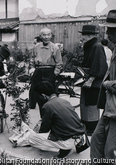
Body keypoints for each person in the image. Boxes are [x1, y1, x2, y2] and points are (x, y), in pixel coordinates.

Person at [12, 81, 86, 158]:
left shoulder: (47, 106)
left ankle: (64, 149)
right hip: (80, 134)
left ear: (43, 95)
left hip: (67, 140)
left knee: (32, 138)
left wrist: (37, 133)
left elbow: (45, 128)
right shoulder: (64, 101)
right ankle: (70, 144)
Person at [91, 10, 116, 163]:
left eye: (111, 30)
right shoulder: (114, 50)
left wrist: (106, 84)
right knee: (96, 140)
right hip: (109, 107)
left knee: (110, 150)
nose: (107, 34)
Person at [78, 25, 108, 135]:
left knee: (91, 105)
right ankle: (87, 126)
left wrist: (91, 79)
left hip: (93, 81)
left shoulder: (97, 46)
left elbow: (99, 65)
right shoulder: (90, 45)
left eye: (84, 35)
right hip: (88, 79)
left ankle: (91, 128)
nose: (82, 37)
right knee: (85, 105)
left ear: (90, 35)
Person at [29, 27, 63, 117]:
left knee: (50, 95)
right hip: (38, 71)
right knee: (38, 94)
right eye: (44, 35)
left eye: (48, 35)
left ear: (51, 36)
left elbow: (59, 62)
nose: (46, 37)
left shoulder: (55, 48)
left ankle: (52, 116)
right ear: (40, 36)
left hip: (50, 71)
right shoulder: (36, 47)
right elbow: (32, 59)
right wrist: (32, 69)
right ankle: (42, 116)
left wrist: (55, 73)